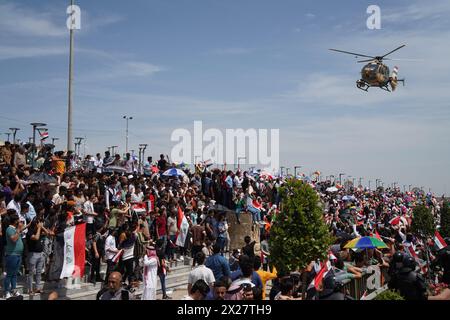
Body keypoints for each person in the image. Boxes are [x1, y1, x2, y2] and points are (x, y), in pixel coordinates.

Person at [3, 215, 24, 299]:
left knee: (15, 274)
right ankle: (6, 291)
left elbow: (21, 230)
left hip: (18, 255)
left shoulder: (15, 229)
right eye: (18, 221)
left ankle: (13, 289)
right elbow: (14, 239)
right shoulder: (9, 229)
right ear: (15, 221)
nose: (20, 222)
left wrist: (27, 225)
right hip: (12, 255)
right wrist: (19, 229)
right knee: (9, 274)